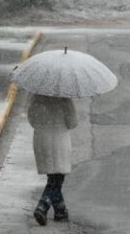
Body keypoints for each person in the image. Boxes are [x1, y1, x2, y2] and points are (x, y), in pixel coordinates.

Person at [28, 93, 78, 225]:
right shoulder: (65, 97)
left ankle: (61, 212)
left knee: (53, 177)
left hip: (41, 140)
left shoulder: (36, 95)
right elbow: (72, 122)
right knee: (57, 179)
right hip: (59, 141)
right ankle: (42, 206)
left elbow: (32, 120)